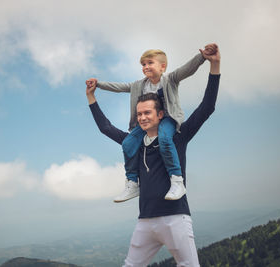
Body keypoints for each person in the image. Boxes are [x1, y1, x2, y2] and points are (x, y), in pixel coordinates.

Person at [86, 46, 221, 266]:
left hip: (175, 218)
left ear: (160, 114)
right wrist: (92, 96)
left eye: (147, 113)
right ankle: (132, 183)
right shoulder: (136, 143)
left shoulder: (178, 136)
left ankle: (177, 182)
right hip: (145, 221)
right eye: (139, 114)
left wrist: (214, 64)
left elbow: (207, 106)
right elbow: (105, 127)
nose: (142, 117)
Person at [86, 44, 217, 203]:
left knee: (164, 138)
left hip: (167, 119)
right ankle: (133, 182)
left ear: (162, 67)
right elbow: (119, 87)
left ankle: (176, 180)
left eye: (150, 63)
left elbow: (186, 70)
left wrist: (202, 57)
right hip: (150, 126)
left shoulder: (170, 79)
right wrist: (98, 85)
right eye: (143, 64)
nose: (146, 67)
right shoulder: (139, 85)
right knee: (128, 143)